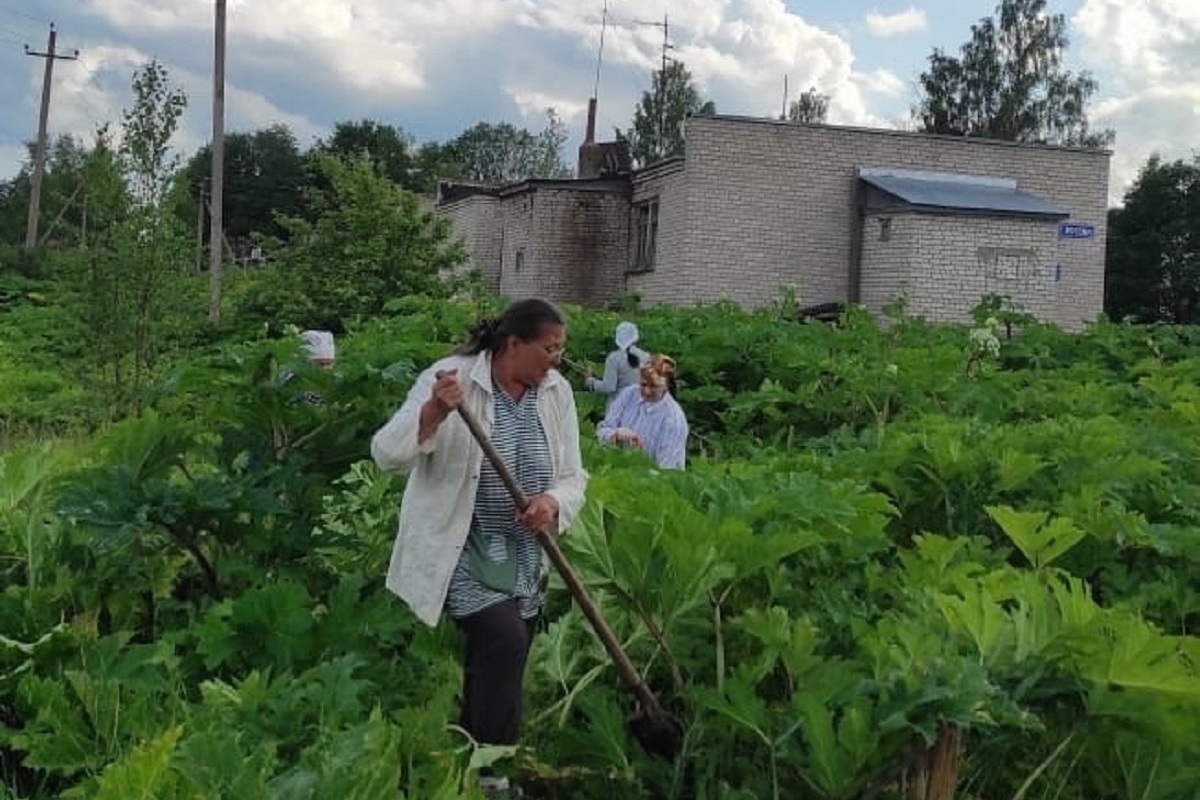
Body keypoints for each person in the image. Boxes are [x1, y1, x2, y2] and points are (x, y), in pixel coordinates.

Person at [370, 298, 587, 800]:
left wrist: (552, 502)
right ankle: (494, 779)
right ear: (514, 344)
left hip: (524, 556)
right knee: (505, 639)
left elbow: (574, 475)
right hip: (461, 550)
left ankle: (466, 759)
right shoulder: (453, 380)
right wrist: (433, 412)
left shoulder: (556, 393)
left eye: (560, 349)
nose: (557, 358)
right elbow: (387, 454)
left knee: (500, 663)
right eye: (550, 348)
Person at [597, 353, 689, 470]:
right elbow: (602, 431)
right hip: (618, 472)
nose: (647, 391)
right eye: (643, 384)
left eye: (653, 386)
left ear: (666, 385)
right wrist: (617, 435)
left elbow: (666, 472)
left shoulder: (673, 419)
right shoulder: (629, 394)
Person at [585, 320, 648, 409]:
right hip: (639, 407)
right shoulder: (646, 357)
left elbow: (609, 387)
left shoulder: (614, 358)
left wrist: (590, 381)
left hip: (618, 408)